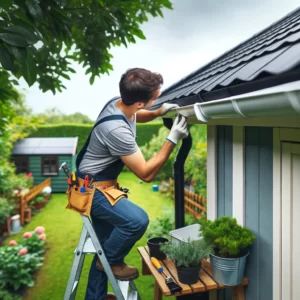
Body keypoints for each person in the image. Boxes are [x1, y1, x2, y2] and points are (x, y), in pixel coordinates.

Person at [76, 68, 189, 299]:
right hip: (92, 191)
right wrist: (172, 139)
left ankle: (96, 290)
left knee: (103, 247)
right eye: (155, 97)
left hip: (96, 184)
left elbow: (136, 115)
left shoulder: (117, 102)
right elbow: (145, 173)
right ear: (139, 102)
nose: (157, 98)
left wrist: (157, 112)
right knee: (136, 221)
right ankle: (112, 261)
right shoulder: (116, 130)